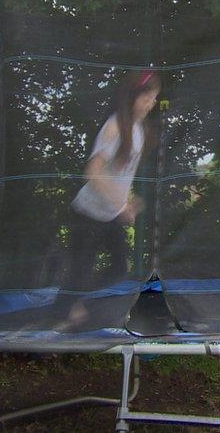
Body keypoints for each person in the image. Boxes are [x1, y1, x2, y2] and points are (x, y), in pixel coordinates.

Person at [61, 70, 161, 330]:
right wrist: (122, 204)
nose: (151, 104)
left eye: (154, 98)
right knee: (80, 272)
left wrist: (125, 201)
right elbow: (92, 172)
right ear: (132, 96)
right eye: (147, 97)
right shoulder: (115, 126)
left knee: (117, 269)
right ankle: (68, 311)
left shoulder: (139, 130)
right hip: (86, 212)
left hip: (108, 214)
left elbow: (118, 177)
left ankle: (74, 302)